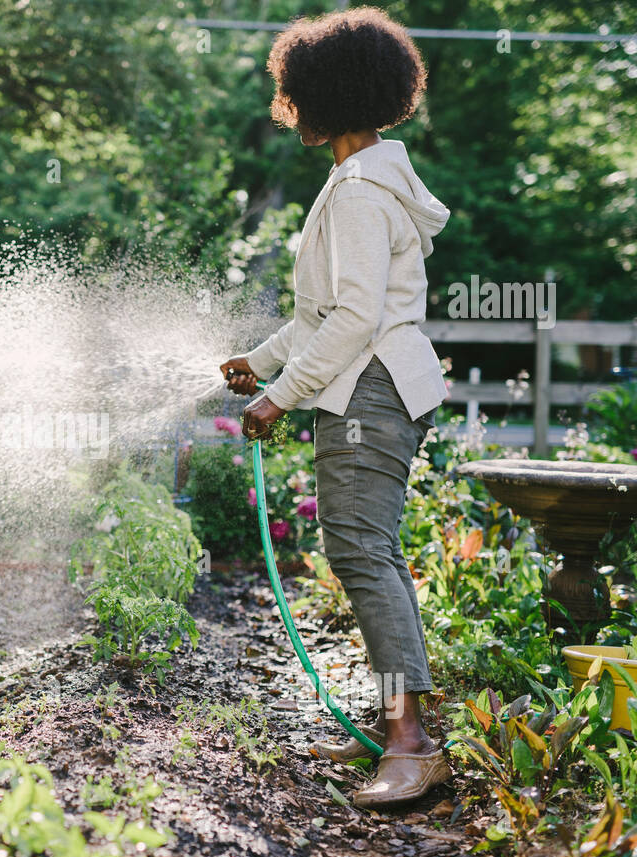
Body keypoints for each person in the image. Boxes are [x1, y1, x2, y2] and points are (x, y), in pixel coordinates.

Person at [221, 7, 452, 809]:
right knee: (369, 551)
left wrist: (279, 397)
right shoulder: (364, 178)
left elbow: (354, 320)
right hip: (379, 382)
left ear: (327, 94)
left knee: (361, 551)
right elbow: (327, 313)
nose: (286, 108)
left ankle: (410, 741)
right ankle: (397, 718)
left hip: (371, 388)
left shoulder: (357, 191)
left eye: (293, 92)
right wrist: (261, 361)